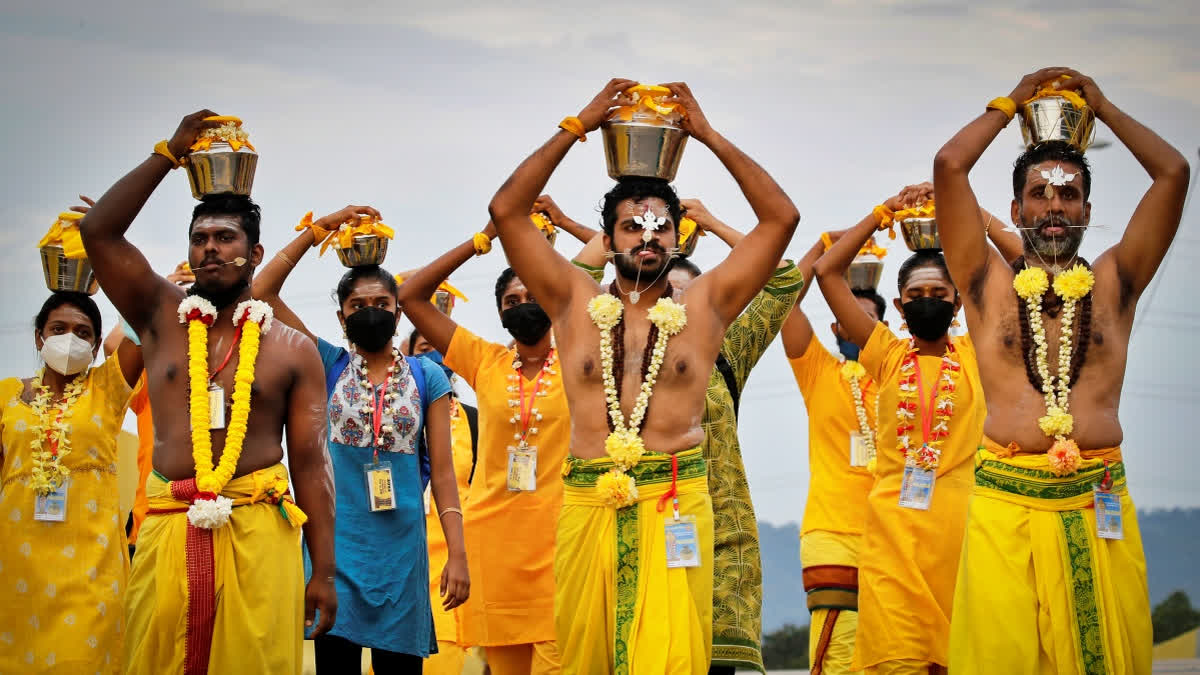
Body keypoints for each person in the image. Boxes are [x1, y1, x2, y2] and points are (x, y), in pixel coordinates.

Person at [487, 79, 799, 674]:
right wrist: (579, 124)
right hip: (587, 499)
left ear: (678, 237)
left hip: (674, 500)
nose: (648, 237)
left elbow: (781, 218)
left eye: (660, 227)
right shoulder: (570, 300)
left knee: (670, 660)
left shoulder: (706, 307)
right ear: (608, 239)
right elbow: (506, 210)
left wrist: (705, 134)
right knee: (585, 661)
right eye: (633, 226)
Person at [933, 68, 1190, 674]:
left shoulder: (1114, 282)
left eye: (1067, 194)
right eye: (1041, 195)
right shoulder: (984, 284)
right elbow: (949, 166)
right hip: (1005, 503)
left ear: (1087, 208)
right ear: (1016, 207)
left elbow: (1174, 173)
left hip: (1095, 499)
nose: (1054, 206)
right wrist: (1013, 102)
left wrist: (1102, 107)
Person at [78, 110, 337, 675]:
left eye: (225, 238)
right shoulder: (158, 313)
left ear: (256, 253)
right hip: (170, 524)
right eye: (199, 240)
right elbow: (97, 231)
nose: (210, 250)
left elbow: (313, 463)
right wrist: (169, 153)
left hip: (259, 529)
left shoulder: (293, 348)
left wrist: (323, 570)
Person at [565, 196, 804, 674]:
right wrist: (635, 230)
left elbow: (783, 280)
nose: (672, 305)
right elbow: (577, 278)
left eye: (684, 295)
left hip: (717, 539)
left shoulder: (724, 347)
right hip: (633, 521)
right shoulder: (611, 345)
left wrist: (711, 222)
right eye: (667, 294)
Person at [787, 207, 1021, 675]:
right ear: (899, 306)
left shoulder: (979, 354)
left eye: (939, 293)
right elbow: (827, 271)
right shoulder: (887, 354)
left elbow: (1020, 274)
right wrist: (881, 215)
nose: (927, 300)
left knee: (958, 657)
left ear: (959, 304)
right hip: (890, 533)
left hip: (959, 532)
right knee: (895, 659)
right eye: (916, 294)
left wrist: (969, 213)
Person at [254, 206, 469, 673]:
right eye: (358, 306)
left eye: (381, 305)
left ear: (397, 313)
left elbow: (445, 474)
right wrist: (318, 230)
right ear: (340, 315)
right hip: (335, 553)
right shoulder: (325, 363)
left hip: (402, 558)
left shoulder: (426, 374)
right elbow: (262, 290)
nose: (370, 313)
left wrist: (458, 554)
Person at [398, 220, 566, 675]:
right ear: (499, 313)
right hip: (494, 546)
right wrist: (483, 240)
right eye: (512, 301)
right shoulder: (485, 360)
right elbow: (412, 296)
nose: (523, 306)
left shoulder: (581, 358)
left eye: (534, 296)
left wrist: (559, 231)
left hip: (563, 542)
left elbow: (605, 283)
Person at [0, 288, 142, 673]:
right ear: (38, 338)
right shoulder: (5, 396)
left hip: (91, 570)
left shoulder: (108, 388)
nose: (70, 339)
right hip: (17, 568)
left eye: (83, 333)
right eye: (58, 328)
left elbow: (140, 327)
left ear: (96, 347)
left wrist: (154, 283)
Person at [101, 260, 195, 557]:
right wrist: (156, 296)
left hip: (219, 521)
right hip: (152, 522)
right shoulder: (153, 373)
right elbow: (114, 344)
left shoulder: (239, 365)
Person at [404, 328, 480, 675]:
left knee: (446, 652)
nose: (432, 356)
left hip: (455, 554)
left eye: (439, 350)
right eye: (423, 348)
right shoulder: (394, 411)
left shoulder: (474, 419)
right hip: (404, 548)